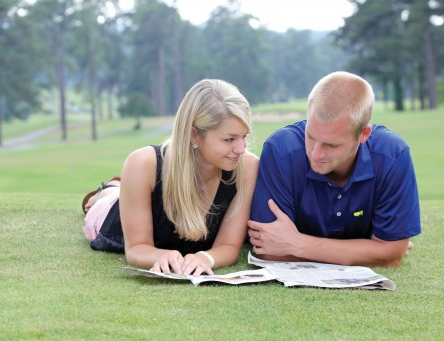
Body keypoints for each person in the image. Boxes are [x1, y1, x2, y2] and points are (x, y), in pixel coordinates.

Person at [82, 79, 259, 276]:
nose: (241, 148)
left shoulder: (248, 167)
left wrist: (205, 258)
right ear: (194, 134)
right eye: (229, 139)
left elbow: (229, 245)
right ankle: (108, 190)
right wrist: (158, 256)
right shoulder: (142, 163)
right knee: (106, 199)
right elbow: (136, 248)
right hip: (112, 215)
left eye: (244, 136)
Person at [248, 71, 421, 267]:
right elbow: (268, 248)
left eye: (332, 145)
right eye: (311, 137)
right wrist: (370, 251)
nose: (316, 154)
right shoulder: (281, 149)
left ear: (363, 134)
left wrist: (297, 244)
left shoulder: (392, 155)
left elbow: (391, 255)